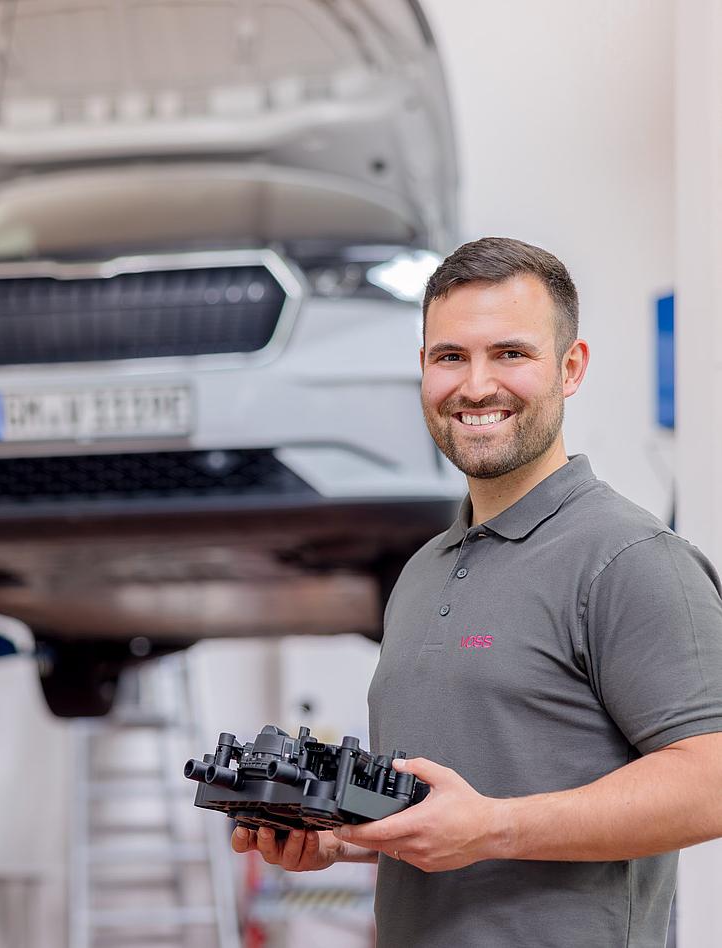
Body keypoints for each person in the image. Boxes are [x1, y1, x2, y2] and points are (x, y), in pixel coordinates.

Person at [231, 237, 722, 947]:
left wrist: (496, 827)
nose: (476, 385)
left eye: (511, 354)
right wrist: (343, 838)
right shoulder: (424, 568)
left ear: (570, 367)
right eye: (450, 356)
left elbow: (710, 780)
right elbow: (445, 819)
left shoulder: (630, 559)